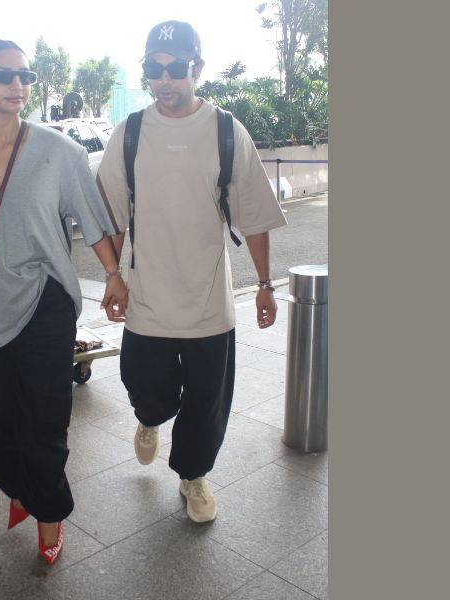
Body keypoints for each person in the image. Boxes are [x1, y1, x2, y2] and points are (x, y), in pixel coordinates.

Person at [0, 38, 127, 564]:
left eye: (25, 76)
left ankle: (48, 513)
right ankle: (25, 488)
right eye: (4, 75)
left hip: (45, 298)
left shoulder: (60, 152)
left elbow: (93, 220)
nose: (18, 85)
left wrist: (113, 275)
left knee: (44, 417)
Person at [96, 20, 288, 523]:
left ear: (197, 68)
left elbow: (254, 215)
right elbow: (111, 215)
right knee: (144, 387)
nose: (164, 79)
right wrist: (113, 275)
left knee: (206, 402)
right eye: (153, 68)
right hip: (147, 299)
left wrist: (265, 285)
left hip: (208, 301)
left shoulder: (226, 131)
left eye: (175, 68)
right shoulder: (129, 134)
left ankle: (193, 476)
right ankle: (149, 419)